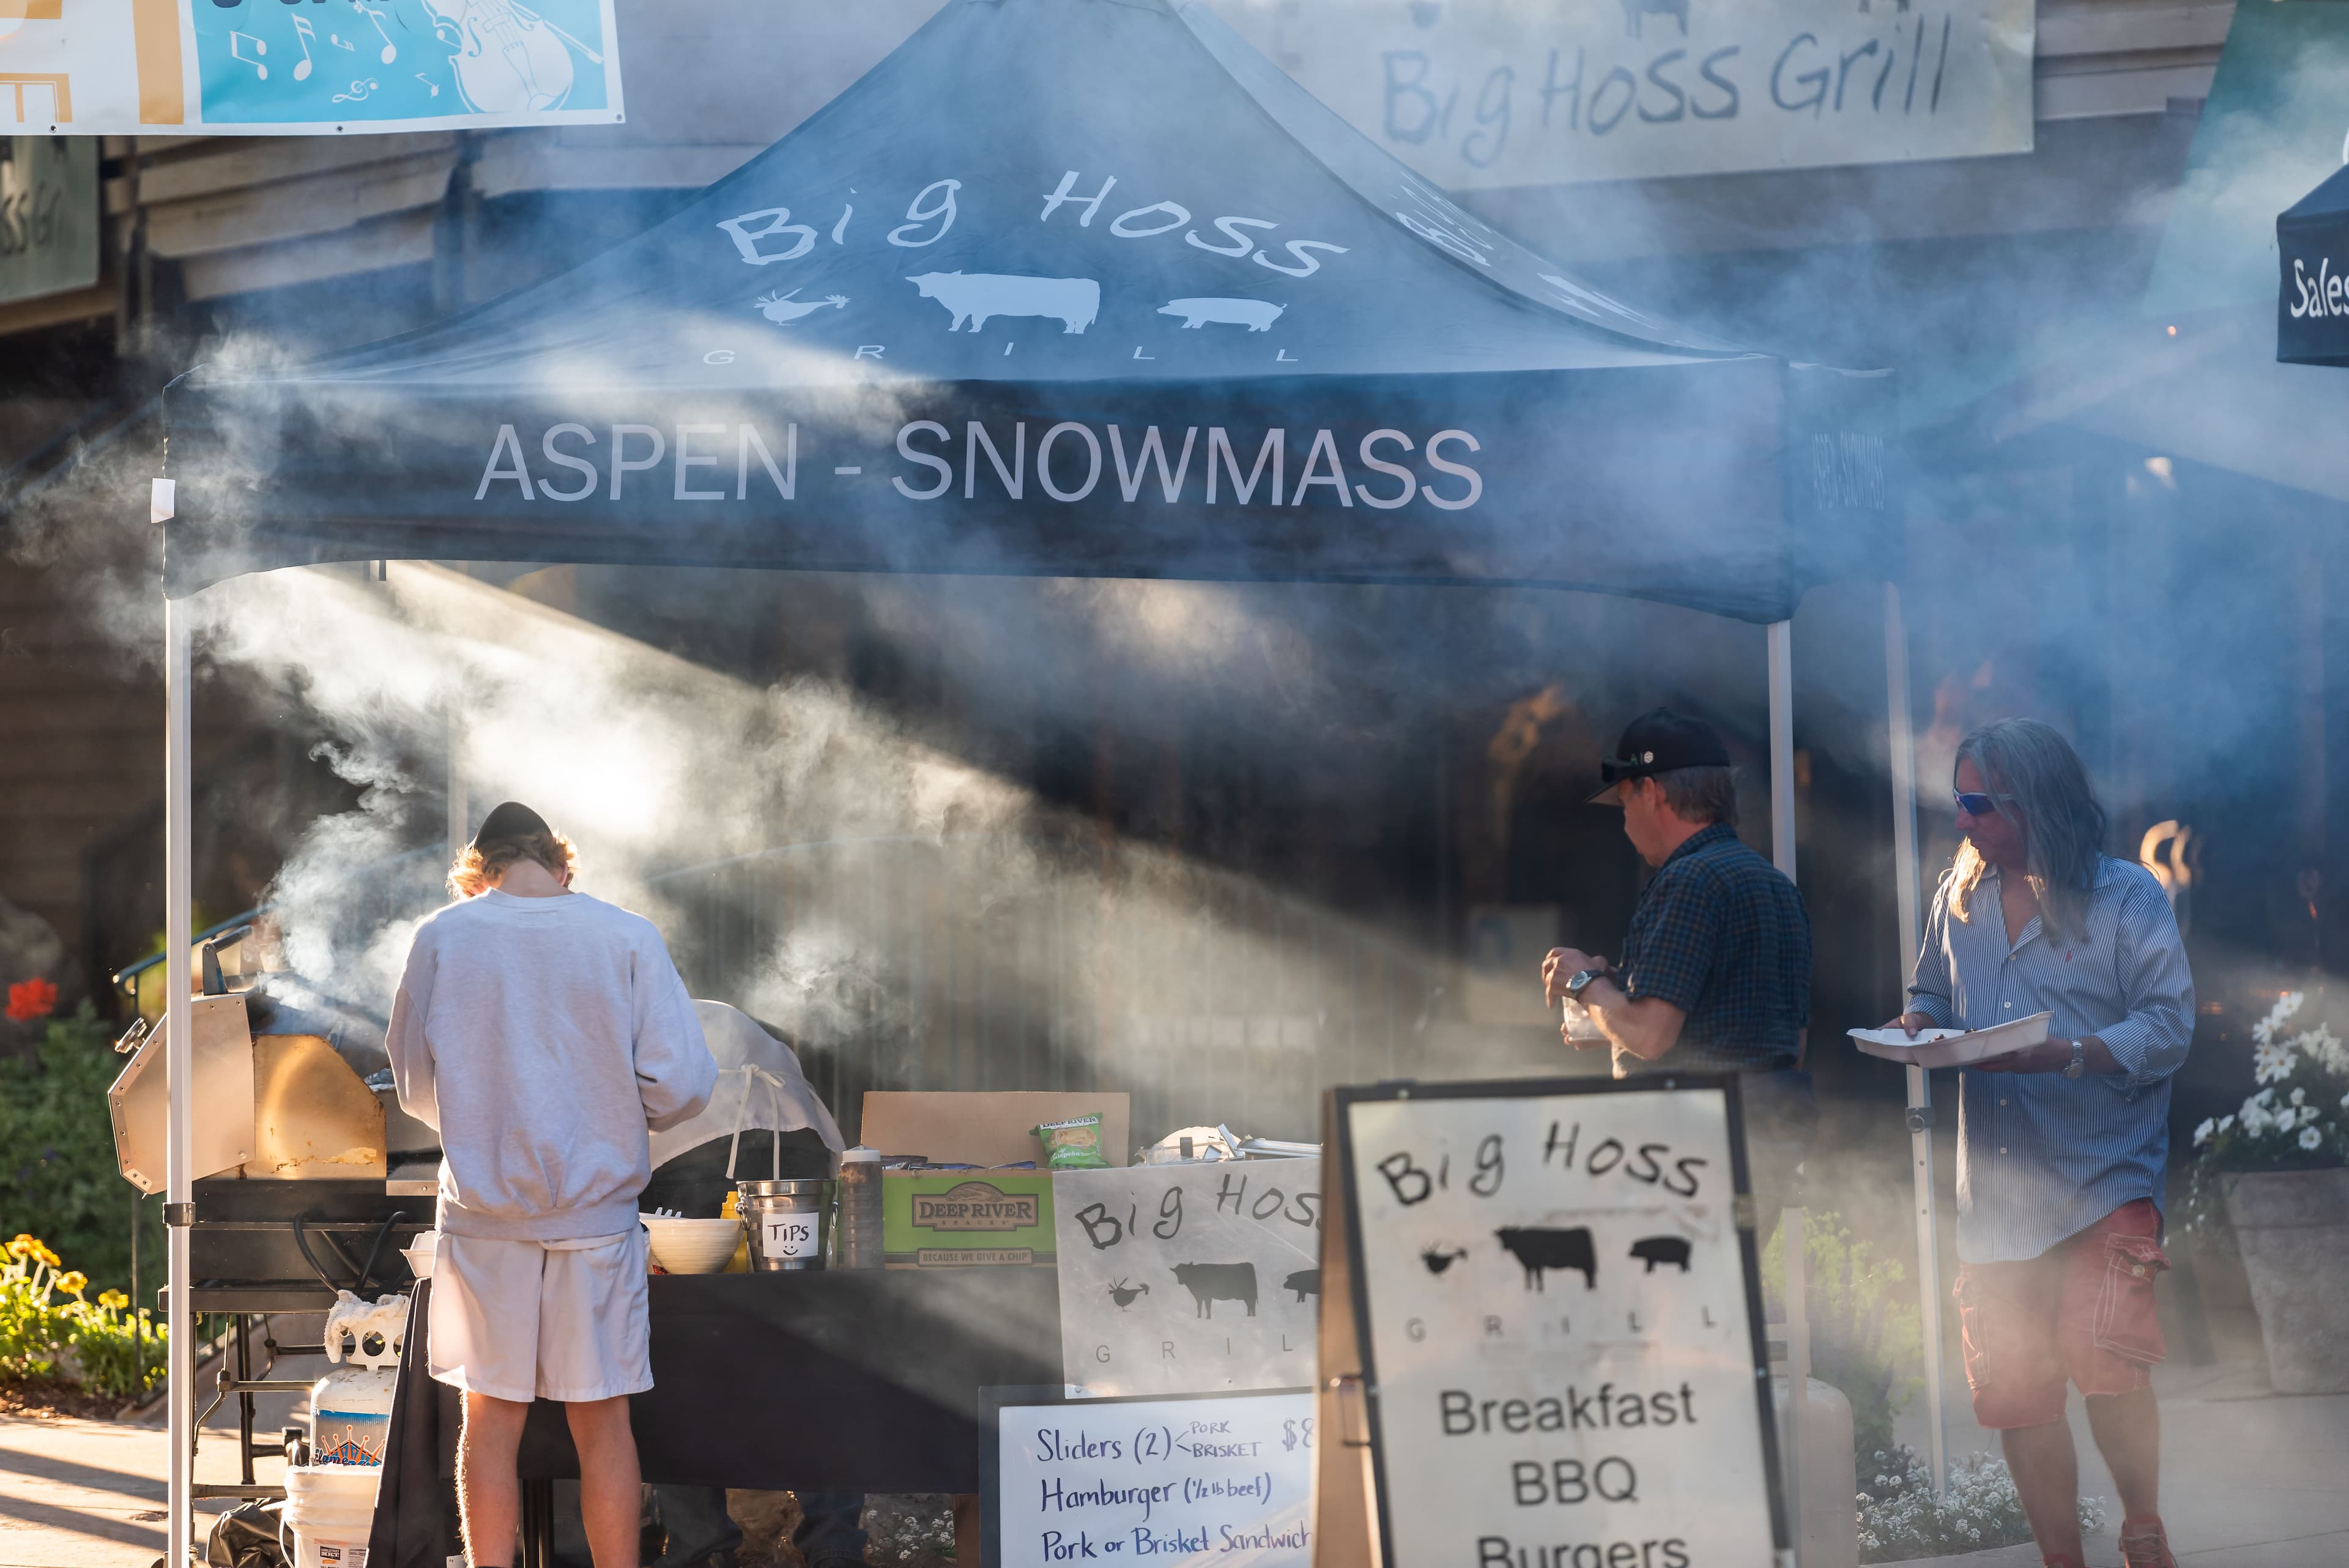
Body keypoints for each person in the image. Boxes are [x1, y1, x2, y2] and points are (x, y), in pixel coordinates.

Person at [1883, 719, 2192, 1568]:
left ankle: (2142, 1525)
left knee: (2110, 1365)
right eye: (1961, 802)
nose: (1964, 820)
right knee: (2017, 1395)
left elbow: (2169, 1027)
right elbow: (1931, 987)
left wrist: (2073, 1052)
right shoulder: (1960, 889)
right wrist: (1918, 1027)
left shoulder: (2129, 895)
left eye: (1981, 803)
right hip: (1997, 1189)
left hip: (2103, 1175)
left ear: (2039, 804)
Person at [388, 801, 718, 1568]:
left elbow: (411, 1083)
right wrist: (609, 1110)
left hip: (483, 1217)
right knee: (602, 1423)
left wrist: (481, 1124)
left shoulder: (442, 935)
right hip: (596, 1218)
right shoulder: (627, 935)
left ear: (480, 874)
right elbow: (682, 1086)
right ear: (562, 865)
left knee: (489, 1422)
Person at [1538, 708, 1815, 1217]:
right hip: (1764, 1151)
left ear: (1651, 792)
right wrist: (1612, 993)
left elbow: (1649, 1036)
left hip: (1686, 1159)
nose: (1624, 822)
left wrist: (1583, 982)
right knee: (1728, 1296)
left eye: (1624, 803)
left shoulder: (1689, 881)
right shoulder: (1776, 885)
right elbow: (1788, 1042)